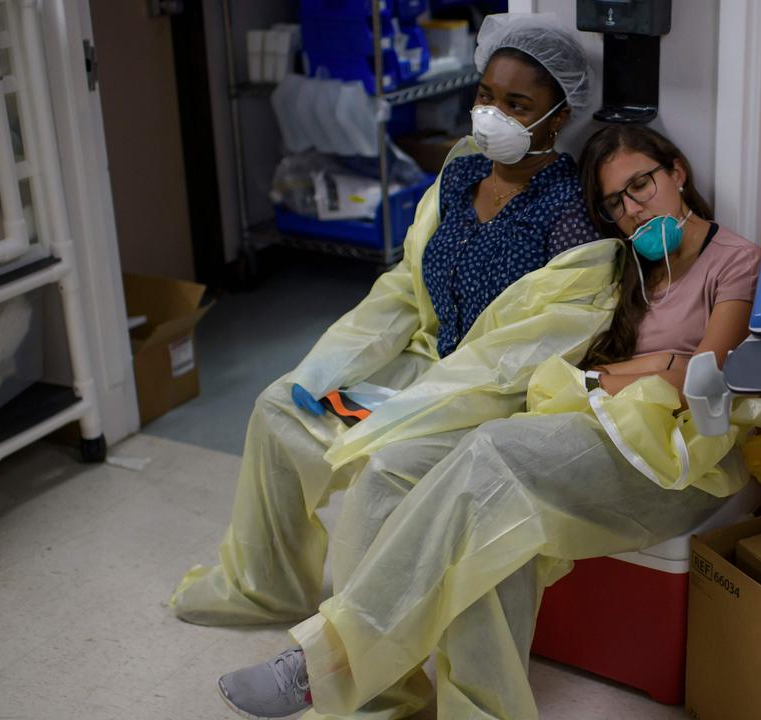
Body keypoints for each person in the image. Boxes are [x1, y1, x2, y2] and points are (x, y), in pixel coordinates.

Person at [213, 125, 761, 720]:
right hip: (581, 424)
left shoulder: (734, 259)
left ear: (677, 173)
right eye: (616, 202)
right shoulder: (622, 267)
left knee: (493, 458)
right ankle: (385, 694)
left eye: (642, 185)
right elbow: (582, 359)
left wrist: (648, 368)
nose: (634, 210)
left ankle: (327, 660)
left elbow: (700, 379)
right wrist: (652, 364)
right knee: (392, 469)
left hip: (671, 462)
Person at [169, 13, 620, 627]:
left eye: (517, 104)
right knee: (280, 409)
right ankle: (266, 587)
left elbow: (522, 356)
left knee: (385, 470)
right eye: (485, 95)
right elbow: (406, 287)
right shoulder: (461, 173)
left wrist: (407, 409)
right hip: (422, 364)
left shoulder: (569, 217)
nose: (492, 114)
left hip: (488, 399)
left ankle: (362, 655)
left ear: (558, 116)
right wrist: (330, 367)